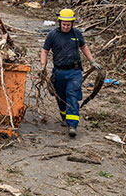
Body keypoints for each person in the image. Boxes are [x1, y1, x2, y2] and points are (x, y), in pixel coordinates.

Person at [40, 8, 100, 138]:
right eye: (64, 24)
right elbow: (45, 50)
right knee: (60, 96)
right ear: (60, 22)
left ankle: (72, 125)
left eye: (68, 24)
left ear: (72, 23)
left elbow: (84, 47)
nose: (66, 26)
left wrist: (92, 61)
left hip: (74, 72)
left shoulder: (76, 34)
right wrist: (43, 66)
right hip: (59, 72)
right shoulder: (52, 35)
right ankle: (64, 115)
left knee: (72, 94)